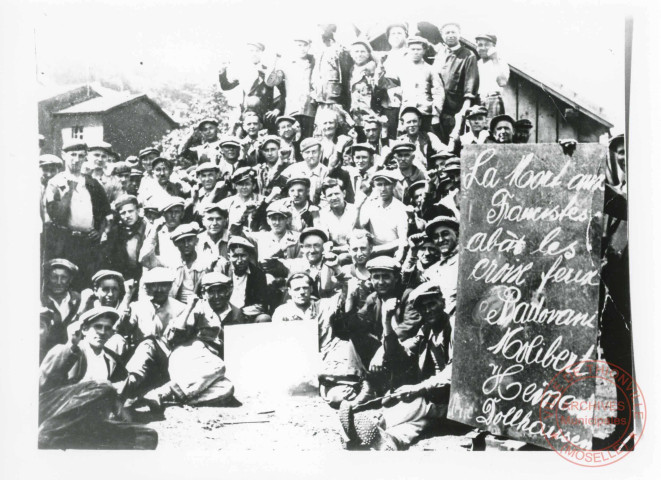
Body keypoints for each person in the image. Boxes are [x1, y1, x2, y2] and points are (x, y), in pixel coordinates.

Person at [340, 283, 452, 451]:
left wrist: (418, 388)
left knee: (415, 404)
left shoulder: (453, 327)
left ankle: (376, 422)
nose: (428, 310)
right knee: (418, 422)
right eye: (423, 308)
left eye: (432, 304)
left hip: (453, 400)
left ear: (442, 302)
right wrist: (386, 322)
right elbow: (400, 356)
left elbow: (454, 372)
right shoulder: (427, 329)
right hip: (436, 401)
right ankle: (391, 440)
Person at [39, 307, 156, 450]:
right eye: (97, 327)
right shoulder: (70, 350)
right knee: (104, 386)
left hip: (87, 420)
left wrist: (120, 410)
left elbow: (118, 397)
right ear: (85, 330)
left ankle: (69, 439)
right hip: (56, 412)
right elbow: (43, 384)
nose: (102, 332)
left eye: (107, 328)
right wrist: (71, 345)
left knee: (146, 436)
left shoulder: (112, 360)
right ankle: (49, 433)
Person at [272, 271, 370, 408]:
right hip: (300, 358)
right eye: (297, 289)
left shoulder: (324, 305)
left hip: (327, 354)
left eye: (305, 288)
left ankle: (354, 387)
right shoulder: (282, 312)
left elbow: (343, 297)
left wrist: (341, 277)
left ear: (311, 289)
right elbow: (279, 341)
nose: (301, 292)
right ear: (289, 291)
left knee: (346, 348)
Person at [141, 272, 237, 407]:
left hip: (207, 373)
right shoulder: (197, 309)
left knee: (227, 388)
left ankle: (172, 399)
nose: (216, 297)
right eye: (211, 292)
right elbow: (173, 337)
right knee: (218, 366)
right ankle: (166, 391)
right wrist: (189, 308)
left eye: (221, 291)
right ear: (204, 293)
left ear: (228, 291)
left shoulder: (236, 313)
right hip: (189, 356)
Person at [44, 140, 111, 289]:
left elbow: (106, 214)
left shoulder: (92, 182)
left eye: (81, 156)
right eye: (72, 155)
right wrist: (69, 190)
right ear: (63, 155)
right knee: (67, 284)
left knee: (88, 283)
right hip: (65, 242)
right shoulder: (55, 182)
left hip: (89, 243)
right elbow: (56, 216)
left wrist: (100, 232)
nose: (76, 159)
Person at [118, 268, 187, 399]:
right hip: (141, 362)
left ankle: (124, 390)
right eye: (154, 285)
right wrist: (127, 296)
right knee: (143, 344)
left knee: (149, 343)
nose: (159, 289)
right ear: (147, 288)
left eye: (163, 285)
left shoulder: (180, 309)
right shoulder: (137, 307)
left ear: (170, 286)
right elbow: (122, 329)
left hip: (167, 362)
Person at [219, 41, 283, 134]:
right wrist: (222, 71)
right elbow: (226, 86)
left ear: (261, 53)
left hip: (265, 116)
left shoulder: (269, 70)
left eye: (257, 51)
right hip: (248, 116)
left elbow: (284, 93)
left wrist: (277, 109)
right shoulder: (243, 72)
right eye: (251, 51)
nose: (254, 53)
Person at [385, 36, 444, 133]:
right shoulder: (401, 68)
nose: (415, 52)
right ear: (408, 50)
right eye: (412, 49)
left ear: (424, 51)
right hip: (406, 114)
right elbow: (391, 84)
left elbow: (438, 93)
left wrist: (436, 115)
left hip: (425, 114)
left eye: (418, 49)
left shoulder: (431, 69)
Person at [434, 22, 479, 144]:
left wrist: (463, 111)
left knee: (455, 145)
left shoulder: (468, 55)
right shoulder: (439, 54)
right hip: (439, 110)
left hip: (456, 111)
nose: (450, 35)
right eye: (447, 33)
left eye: (453, 32)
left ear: (459, 34)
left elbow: (471, 85)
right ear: (442, 36)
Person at [217, 236, 271, 321]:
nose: (239, 260)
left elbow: (261, 304)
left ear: (248, 255)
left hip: (247, 314)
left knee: (264, 318)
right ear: (229, 256)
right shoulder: (223, 270)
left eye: (243, 255)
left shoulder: (257, 274)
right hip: (225, 313)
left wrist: (240, 312)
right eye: (235, 256)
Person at [358, 170, 408, 259]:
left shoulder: (401, 209)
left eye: (387, 184)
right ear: (374, 186)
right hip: (372, 251)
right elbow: (360, 228)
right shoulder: (369, 205)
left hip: (392, 252)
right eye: (379, 184)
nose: (383, 189)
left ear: (394, 185)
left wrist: (378, 249)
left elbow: (403, 240)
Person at [169, 222, 222, 304]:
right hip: (177, 307)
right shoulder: (171, 263)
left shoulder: (207, 262)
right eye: (182, 241)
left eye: (189, 240)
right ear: (175, 244)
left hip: (202, 306)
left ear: (196, 240)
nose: (186, 244)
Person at [100, 194, 147, 281]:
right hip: (125, 276)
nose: (127, 216)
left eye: (130, 211)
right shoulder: (116, 231)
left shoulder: (147, 228)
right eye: (123, 213)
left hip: (145, 274)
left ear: (138, 210)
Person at [41, 259, 82, 356]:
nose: (59, 282)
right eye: (54, 277)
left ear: (70, 279)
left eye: (64, 277)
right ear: (47, 278)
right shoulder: (40, 299)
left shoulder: (78, 300)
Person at [278, 37, 317, 139]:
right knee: (292, 139)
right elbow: (272, 81)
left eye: (305, 45)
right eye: (299, 45)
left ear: (309, 47)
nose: (302, 48)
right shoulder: (285, 63)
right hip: (292, 109)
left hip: (309, 109)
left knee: (308, 138)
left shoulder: (313, 62)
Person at [376, 22, 409, 139]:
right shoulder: (385, 56)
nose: (396, 36)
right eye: (392, 34)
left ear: (406, 35)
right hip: (389, 104)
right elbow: (379, 82)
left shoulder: (411, 54)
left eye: (399, 33)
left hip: (407, 102)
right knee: (388, 137)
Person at [422, 216, 459, 317]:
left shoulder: (465, 260)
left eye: (445, 234)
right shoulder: (432, 271)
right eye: (435, 237)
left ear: (456, 233)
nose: (441, 239)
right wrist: (412, 252)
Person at [311, 24, 353, 112]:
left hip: (335, 98)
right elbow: (315, 77)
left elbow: (344, 77)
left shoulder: (340, 52)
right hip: (321, 98)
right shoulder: (319, 55)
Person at [139, 197, 186, 269]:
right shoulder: (156, 233)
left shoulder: (187, 231)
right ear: (164, 214)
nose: (173, 215)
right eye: (170, 212)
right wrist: (154, 230)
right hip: (163, 275)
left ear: (182, 214)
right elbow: (143, 258)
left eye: (177, 212)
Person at [317, 178, 359, 254]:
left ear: (344, 193)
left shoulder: (355, 211)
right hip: (332, 254)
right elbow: (324, 241)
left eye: (336, 193)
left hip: (354, 252)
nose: (334, 198)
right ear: (326, 198)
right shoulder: (322, 214)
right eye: (329, 195)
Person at [282, 138, 329, 204]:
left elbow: (327, 199)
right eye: (307, 152)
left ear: (320, 152)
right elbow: (279, 186)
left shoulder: (326, 172)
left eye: (314, 152)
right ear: (302, 154)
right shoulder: (293, 168)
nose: (311, 156)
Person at [475, 33, 510, 119]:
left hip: (492, 100)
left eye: (487, 45)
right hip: (478, 101)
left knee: (491, 129)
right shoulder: (477, 64)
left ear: (493, 47)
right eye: (480, 45)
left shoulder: (500, 62)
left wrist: (495, 59)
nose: (483, 48)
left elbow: (502, 82)